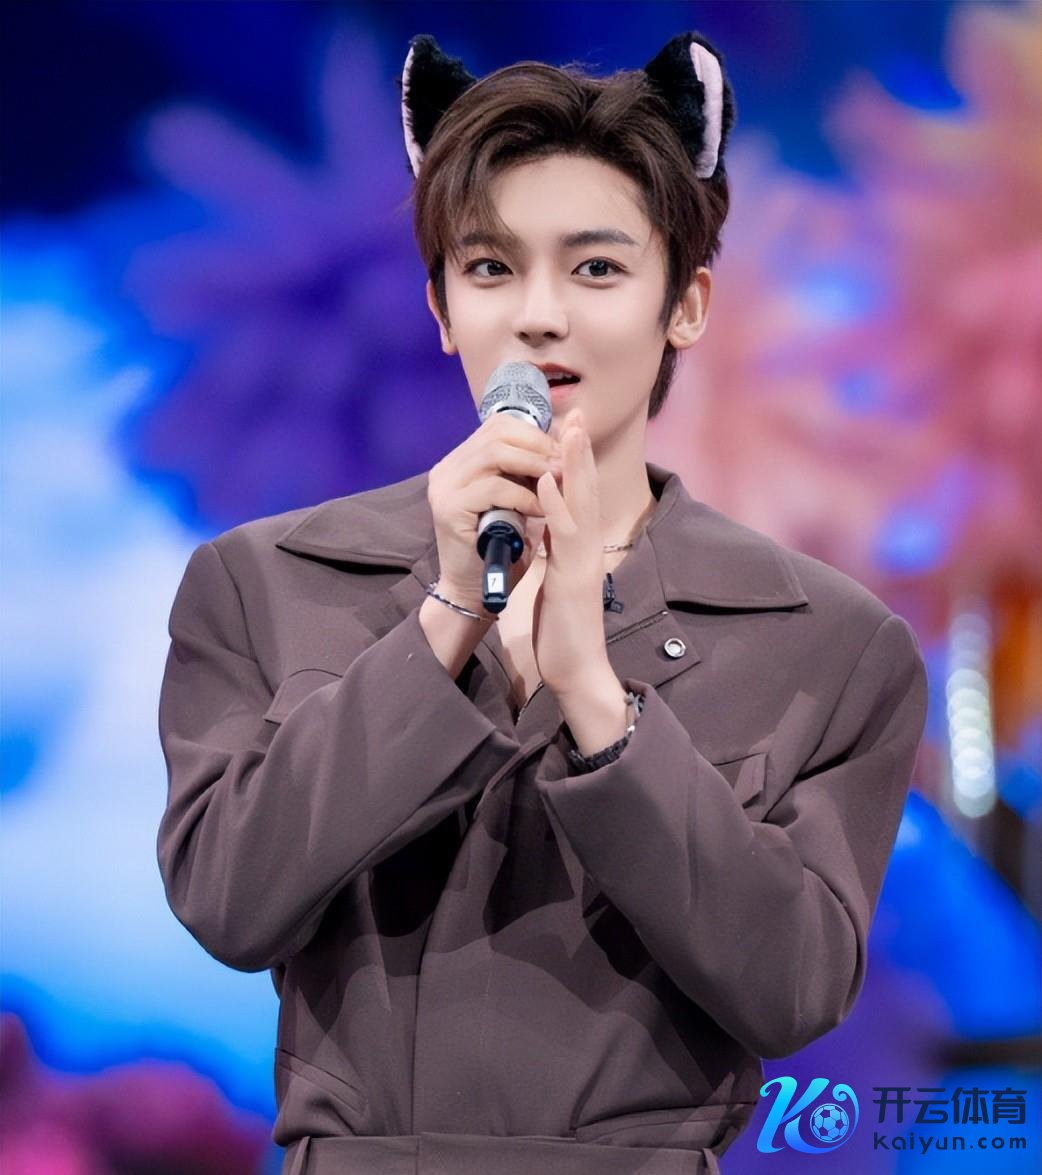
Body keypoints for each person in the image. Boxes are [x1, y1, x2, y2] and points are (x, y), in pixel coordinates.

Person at [156, 31, 928, 1175]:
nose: (538, 314)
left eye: (596, 269)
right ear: (439, 306)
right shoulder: (266, 580)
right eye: (489, 269)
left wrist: (598, 704)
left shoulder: (829, 640)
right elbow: (230, 899)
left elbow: (794, 987)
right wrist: (445, 616)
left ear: (686, 304)